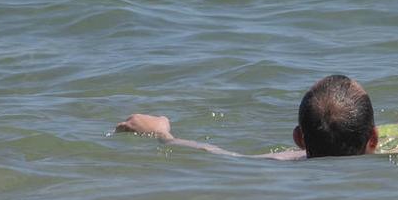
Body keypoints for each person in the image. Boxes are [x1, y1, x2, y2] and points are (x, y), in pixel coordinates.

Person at [115, 74, 377, 160]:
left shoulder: (282, 161)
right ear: (373, 138)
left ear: (299, 138)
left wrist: (162, 133)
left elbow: (212, 151)